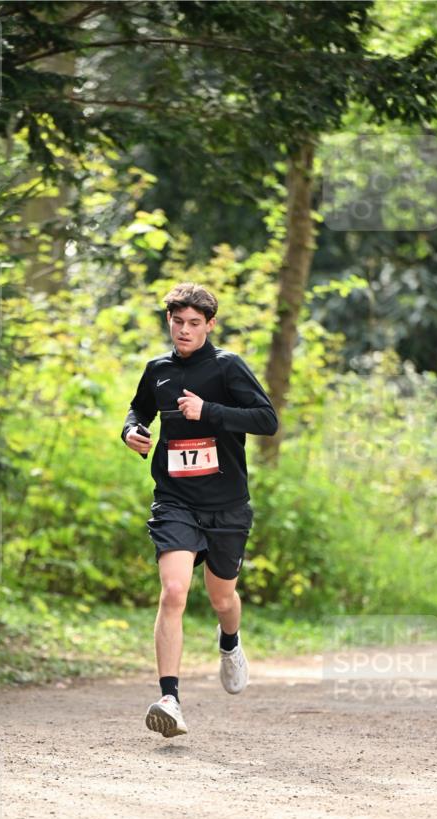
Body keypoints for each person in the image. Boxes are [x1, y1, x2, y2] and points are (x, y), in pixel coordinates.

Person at [121, 282, 278, 738]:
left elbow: (266, 420)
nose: (184, 331)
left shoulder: (228, 366)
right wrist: (131, 431)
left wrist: (208, 410)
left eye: (194, 323)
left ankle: (229, 642)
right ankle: (169, 699)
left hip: (227, 505)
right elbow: (138, 411)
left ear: (210, 324)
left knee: (222, 598)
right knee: (174, 591)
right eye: (177, 322)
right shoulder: (158, 370)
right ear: (168, 321)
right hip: (176, 500)